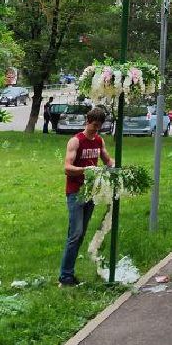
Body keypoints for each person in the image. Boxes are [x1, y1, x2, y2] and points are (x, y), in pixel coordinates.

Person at [59, 104, 112, 286]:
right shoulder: (76, 141)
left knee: (79, 235)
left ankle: (69, 273)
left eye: (99, 126)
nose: (96, 129)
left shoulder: (99, 141)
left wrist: (115, 168)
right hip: (76, 192)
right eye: (94, 125)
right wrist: (86, 170)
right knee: (75, 233)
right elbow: (67, 168)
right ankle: (65, 276)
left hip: (92, 193)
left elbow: (107, 160)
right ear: (87, 121)